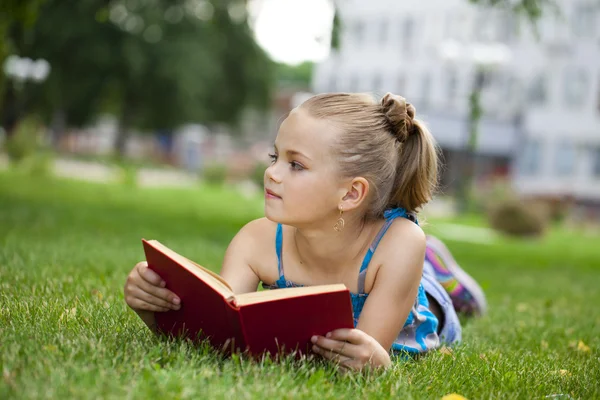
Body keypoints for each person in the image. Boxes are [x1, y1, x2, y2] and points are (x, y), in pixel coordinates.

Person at [123, 92, 487, 371]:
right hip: (387, 270)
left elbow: (370, 352)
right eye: (274, 157)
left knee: (448, 299)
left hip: (418, 308)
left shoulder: (400, 244)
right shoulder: (255, 240)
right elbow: (218, 333)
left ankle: (439, 272)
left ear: (350, 194)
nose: (272, 173)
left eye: (296, 164)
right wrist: (155, 308)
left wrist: (375, 362)